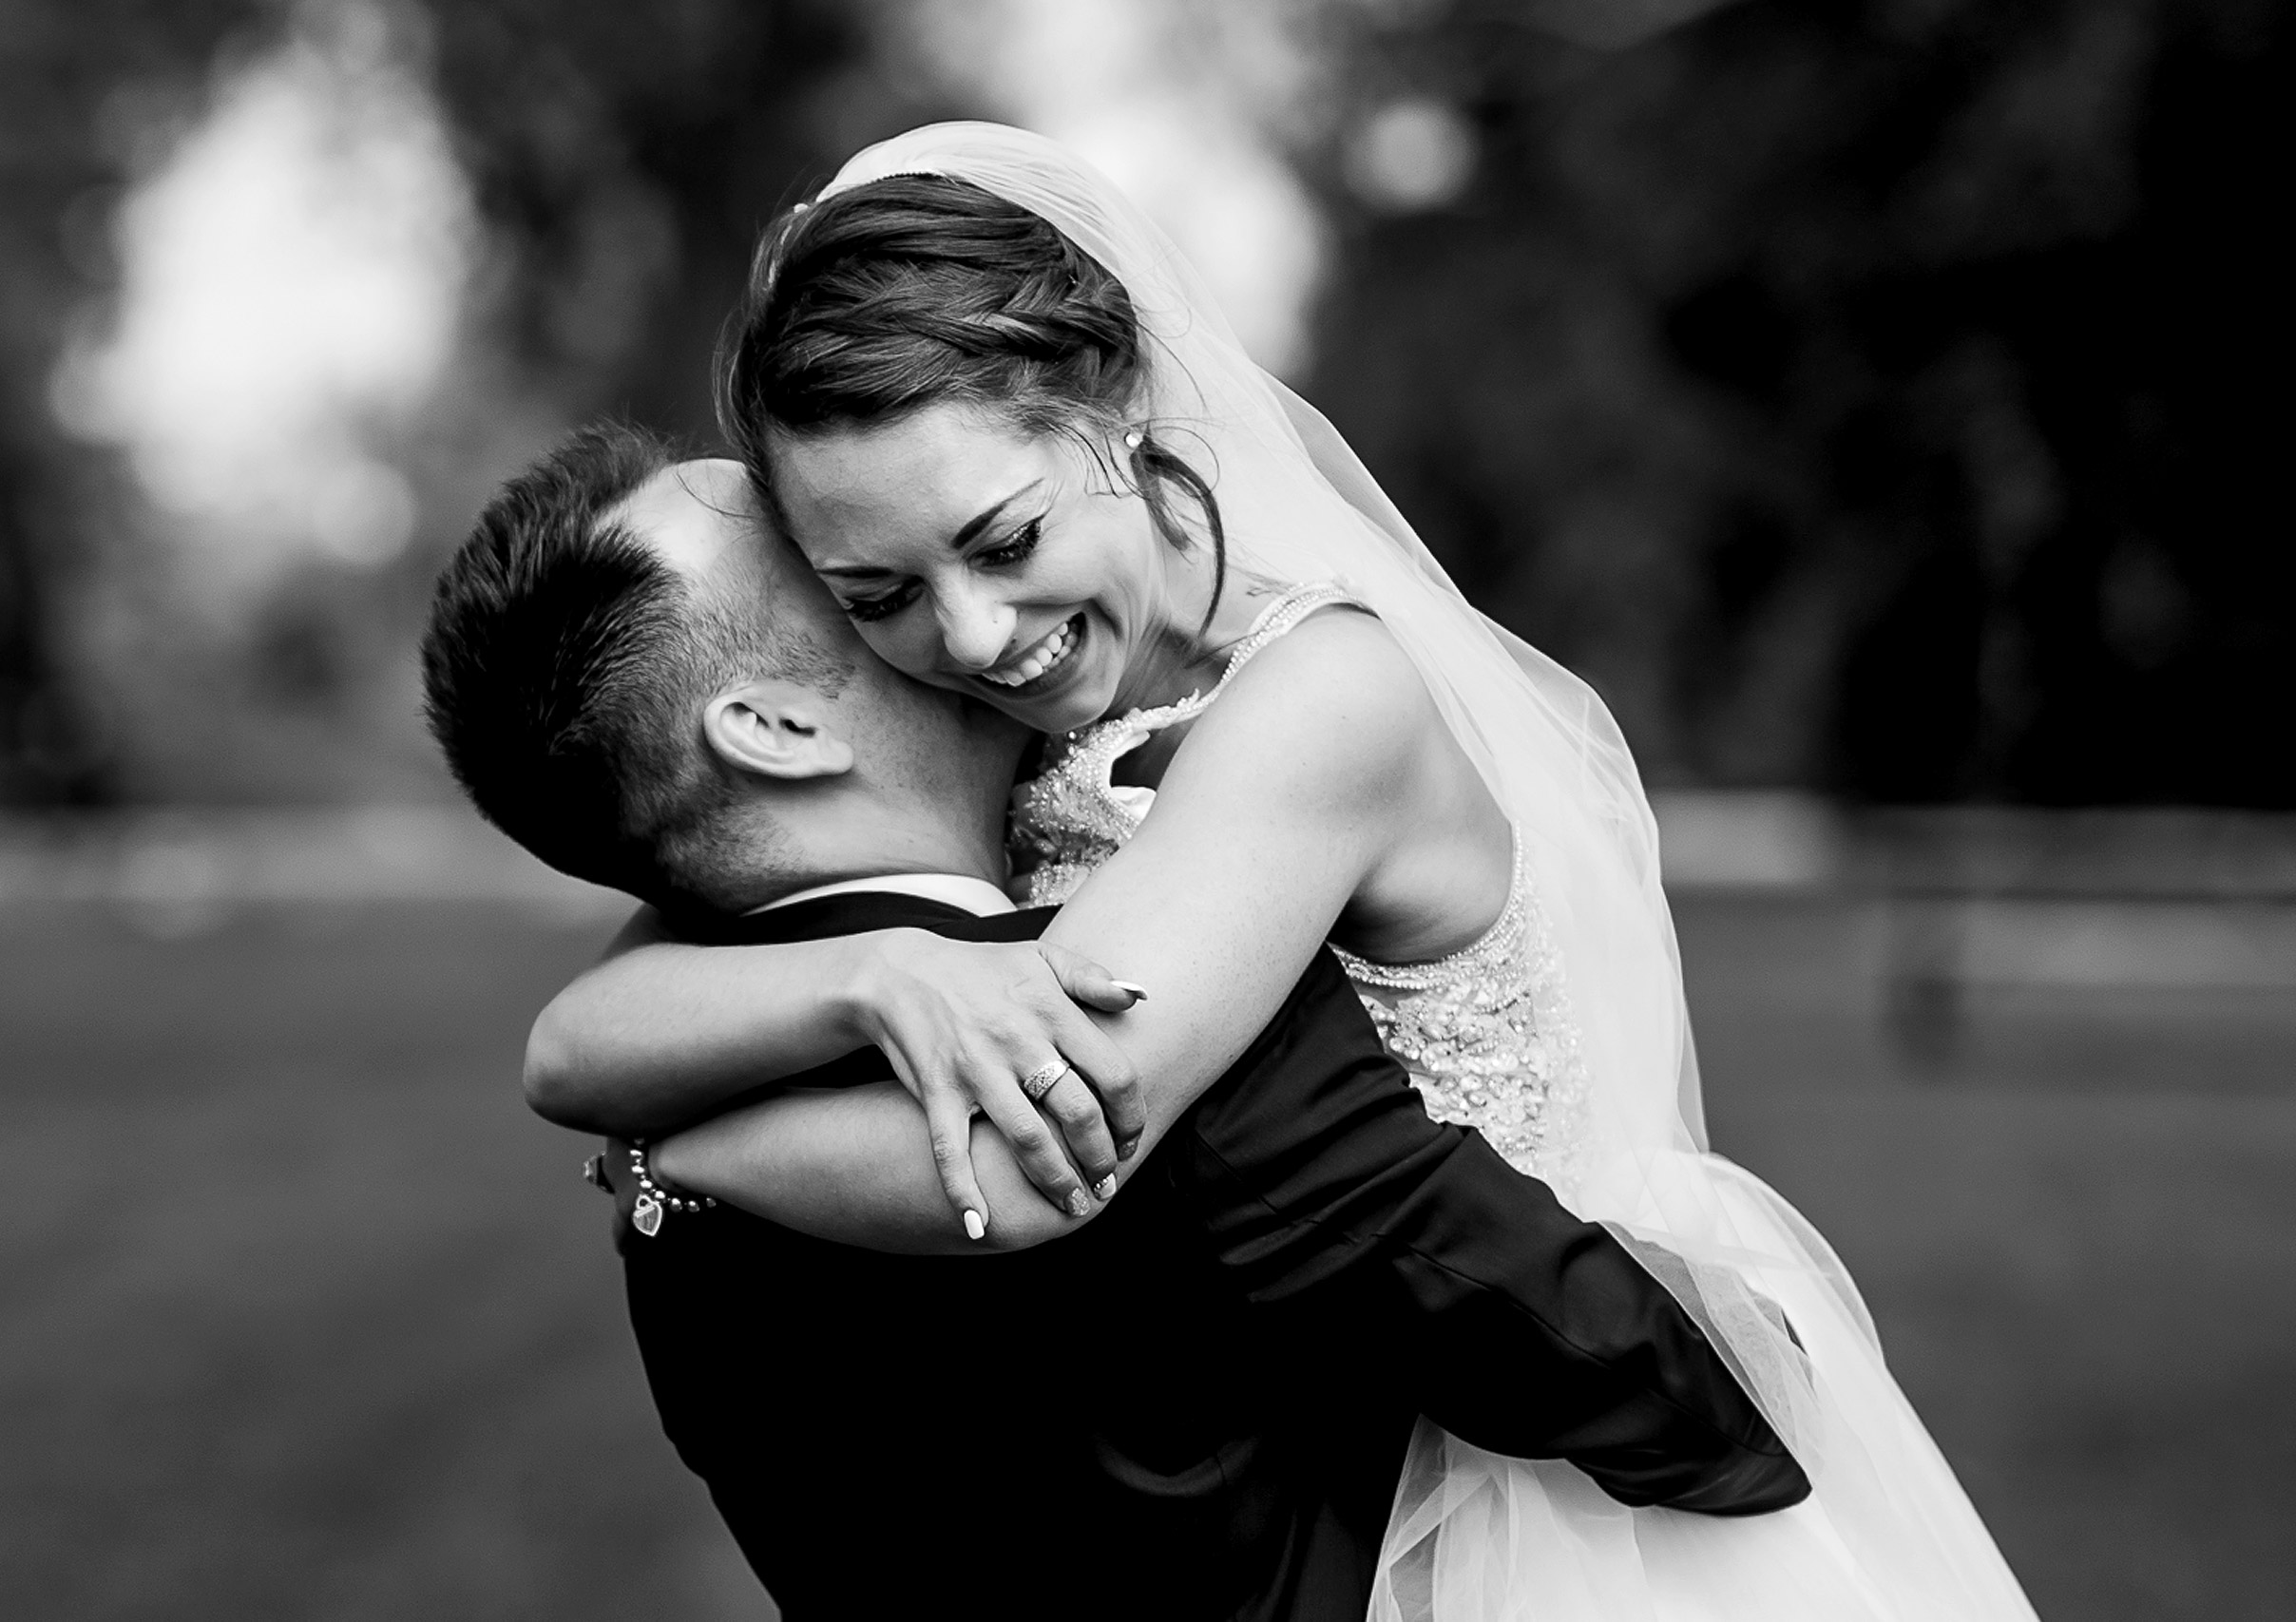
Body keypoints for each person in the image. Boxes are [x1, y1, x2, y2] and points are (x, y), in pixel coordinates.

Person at [520, 124, 2042, 1619]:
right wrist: (874, 971)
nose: (972, 638)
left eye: (1003, 539)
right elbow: (581, 1035)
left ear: (1114, 407)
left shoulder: (1317, 703)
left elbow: (1042, 1159)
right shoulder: (1003, 709)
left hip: (1532, 1433)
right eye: (878, 593)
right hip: (1319, 1446)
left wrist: (682, 1155)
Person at [418, 439, 1806, 1621]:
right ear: (777, 726)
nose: (960, 616)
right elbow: (1646, 1379)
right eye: (854, 576)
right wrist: (1765, 1338)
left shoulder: (670, 1085)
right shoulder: (1124, 1011)